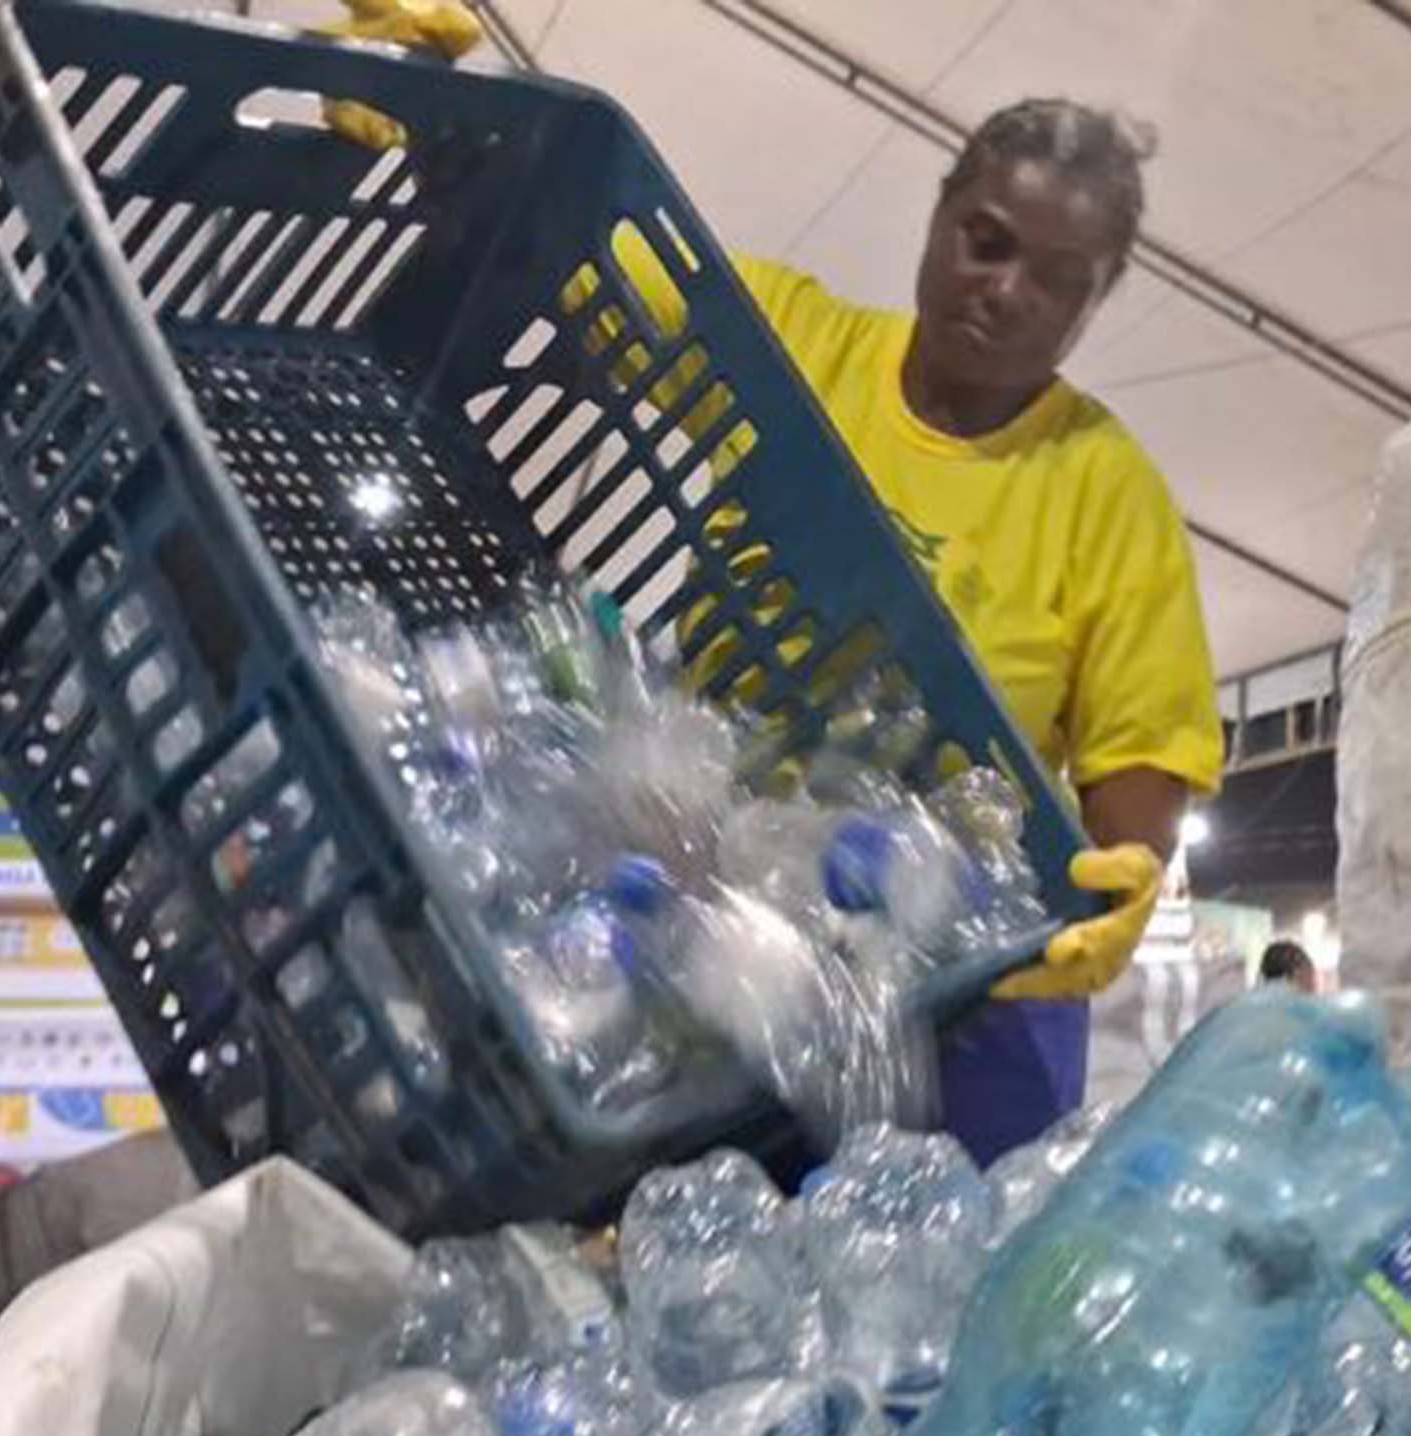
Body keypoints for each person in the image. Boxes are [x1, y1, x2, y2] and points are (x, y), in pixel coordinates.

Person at [326, 10, 1223, 1164]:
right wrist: (442, 123)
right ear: (942, 210)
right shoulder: (793, 346)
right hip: (723, 922)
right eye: (985, 241)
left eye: (1059, 280)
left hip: (960, 988)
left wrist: (1117, 892)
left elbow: (1137, 776)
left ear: (1097, 301)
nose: (1006, 293)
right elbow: (575, 256)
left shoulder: (1109, 494)